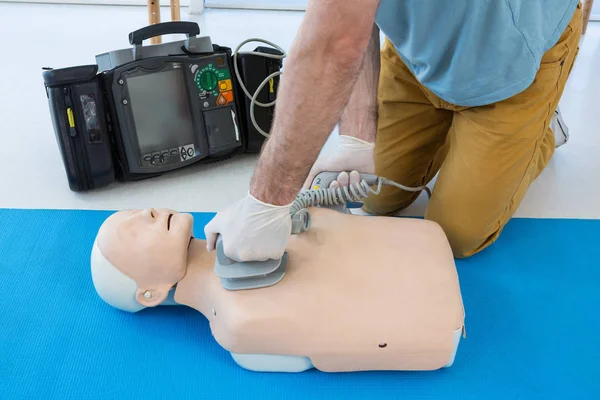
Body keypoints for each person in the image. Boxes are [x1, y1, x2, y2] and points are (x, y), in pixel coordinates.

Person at [205, 0, 583, 260]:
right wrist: (357, 135)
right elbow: (349, 18)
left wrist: (266, 202)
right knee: (378, 198)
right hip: (421, 54)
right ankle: (461, 137)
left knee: (453, 237)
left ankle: (541, 128)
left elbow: (334, 45)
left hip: (513, 65)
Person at [91, 207, 464, 372]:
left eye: (137, 211)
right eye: (133, 230)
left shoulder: (241, 223)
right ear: (150, 294)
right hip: (433, 320)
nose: (147, 214)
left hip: (416, 255)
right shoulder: (238, 323)